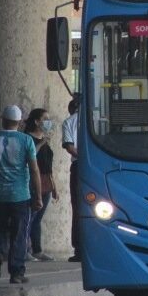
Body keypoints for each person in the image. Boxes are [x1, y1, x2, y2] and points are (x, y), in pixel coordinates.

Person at [0, 105, 42, 284]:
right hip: (20, 196)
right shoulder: (26, 141)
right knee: (19, 233)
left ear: (3, 120)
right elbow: (34, 169)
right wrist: (38, 196)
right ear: (19, 122)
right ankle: (16, 272)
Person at [24, 108, 57, 261]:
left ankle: (37, 249)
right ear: (36, 121)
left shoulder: (45, 139)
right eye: (45, 118)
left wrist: (54, 186)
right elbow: (30, 157)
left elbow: (48, 166)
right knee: (29, 217)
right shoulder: (28, 138)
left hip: (45, 182)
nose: (48, 122)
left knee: (37, 219)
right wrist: (43, 142)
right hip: (32, 181)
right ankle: (25, 249)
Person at [62, 96, 80, 262]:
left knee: (77, 207)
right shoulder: (96, 120)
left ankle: (79, 250)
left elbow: (69, 146)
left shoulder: (68, 122)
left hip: (78, 168)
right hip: (96, 165)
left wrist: (82, 157)